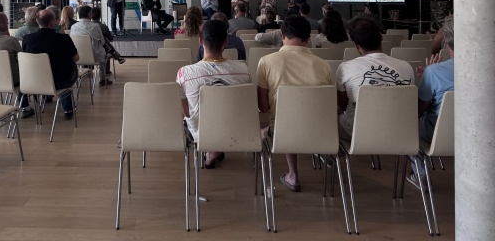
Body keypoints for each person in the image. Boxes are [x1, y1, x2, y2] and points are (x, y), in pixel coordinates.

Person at [256, 14, 332, 192]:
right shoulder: (324, 65)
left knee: (284, 120)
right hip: (321, 131)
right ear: (308, 38)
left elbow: (263, 107)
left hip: (283, 131)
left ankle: (293, 174)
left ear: (282, 35)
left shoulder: (266, 62)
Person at [177, 20, 251, 168]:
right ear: (226, 42)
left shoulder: (185, 73)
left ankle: (212, 151)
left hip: (201, 134)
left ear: (200, 41)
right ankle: (214, 150)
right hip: (237, 131)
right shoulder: (243, 70)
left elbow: (187, 111)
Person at [336, 15, 414, 141]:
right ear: (381, 37)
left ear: (355, 45)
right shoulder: (407, 67)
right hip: (397, 131)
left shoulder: (345, 67)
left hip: (357, 133)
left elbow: (342, 106)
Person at [408, 15, 455, 190]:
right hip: (480, 133)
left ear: (446, 43)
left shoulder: (434, 72)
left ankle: (421, 175)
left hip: (438, 134)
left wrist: (427, 77)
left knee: (406, 126)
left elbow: (420, 109)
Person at [22, 9, 79, 120]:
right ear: (53, 23)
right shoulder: (64, 39)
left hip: (34, 80)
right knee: (67, 68)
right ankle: (68, 110)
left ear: (37, 21)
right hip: (60, 81)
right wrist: (62, 35)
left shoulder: (27, 39)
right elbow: (76, 58)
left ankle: (40, 99)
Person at [69, 5, 111, 86]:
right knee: (104, 54)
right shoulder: (95, 26)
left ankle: (83, 75)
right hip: (95, 56)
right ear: (88, 14)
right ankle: (102, 79)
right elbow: (102, 42)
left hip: (78, 56)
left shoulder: (73, 27)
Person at [91, 6, 126, 77]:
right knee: (106, 45)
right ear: (100, 15)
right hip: (101, 50)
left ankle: (116, 55)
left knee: (104, 43)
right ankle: (107, 70)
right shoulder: (103, 26)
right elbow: (111, 39)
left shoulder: (86, 27)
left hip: (88, 50)